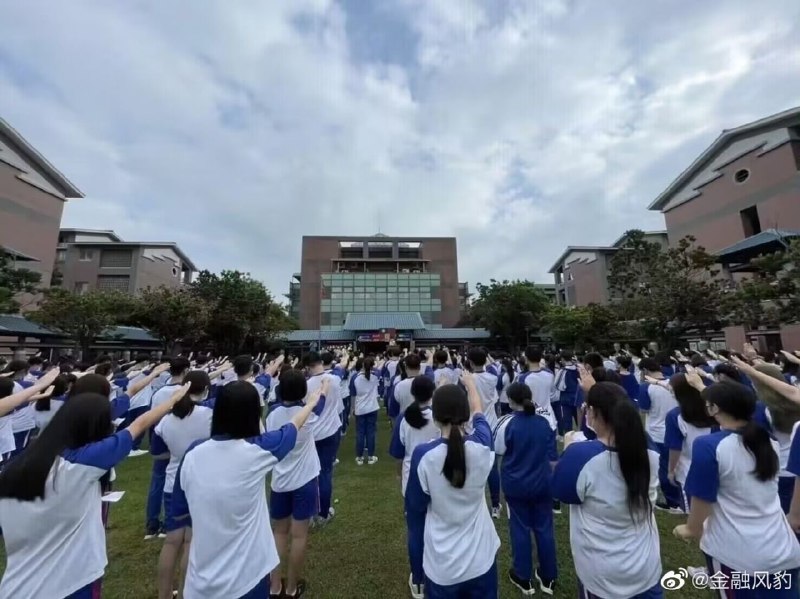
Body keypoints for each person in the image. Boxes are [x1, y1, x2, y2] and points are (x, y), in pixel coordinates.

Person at [0, 380, 188, 599]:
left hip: (17, 586)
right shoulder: (81, 466)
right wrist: (174, 399)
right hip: (70, 584)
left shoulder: (13, 471)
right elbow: (137, 426)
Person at [170, 380, 319, 599]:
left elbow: (182, 512)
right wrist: (311, 403)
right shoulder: (256, 451)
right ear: (253, 415)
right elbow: (291, 429)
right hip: (247, 579)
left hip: (200, 583)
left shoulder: (192, 455)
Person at [675, 381, 800, 595]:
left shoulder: (709, 446)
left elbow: (703, 498)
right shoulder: (769, 442)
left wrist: (690, 528)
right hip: (783, 549)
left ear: (714, 408)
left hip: (736, 556)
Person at [552, 376, 663, 599]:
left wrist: (568, 448)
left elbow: (562, 493)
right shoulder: (648, 451)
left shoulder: (580, 456)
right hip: (645, 566)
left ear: (592, 413)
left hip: (601, 573)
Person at [405, 374, 500, 598]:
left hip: (442, 565)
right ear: (464, 413)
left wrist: (417, 572)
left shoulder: (424, 456)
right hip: (482, 561)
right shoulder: (483, 446)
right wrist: (471, 386)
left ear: (435, 417)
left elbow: (415, 516)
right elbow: (479, 411)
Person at [266, 371, 329, 599]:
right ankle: (291, 589)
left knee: (279, 533)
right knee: (299, 536)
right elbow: (320, 400)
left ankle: (274, 587)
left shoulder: (272, 415)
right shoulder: (309, 414)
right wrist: (323, 385)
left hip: (280, 481)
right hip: (304, 481)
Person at [152, 371, 214, 599]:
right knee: (191, 541)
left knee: (171, 541)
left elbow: (158, 453)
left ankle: (164, 594)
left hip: (172, 482)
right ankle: (186, 591)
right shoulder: (209, 415)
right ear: (206, 389)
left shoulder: (166, 419)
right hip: (200, 482)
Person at [494, 382, 558, 595]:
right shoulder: (545, 421)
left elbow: (497, 449)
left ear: (511, 401)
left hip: (516, 484)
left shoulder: (507, 422)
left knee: (520, 528)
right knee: (544, 528)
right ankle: (548, 576)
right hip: (543, 483)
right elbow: (552, 456)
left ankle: (523, 576)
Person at [389, 375, 439, 599]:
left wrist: (399, 474)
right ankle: (426, 576)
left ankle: (419, 579)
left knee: (416, 531)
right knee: (434, 528)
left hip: (412, 479)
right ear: (432, 392)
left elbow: (399, 454)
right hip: (437, 478)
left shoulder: (403, 418)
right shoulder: (439, 415)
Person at [146, 357, 191, 539]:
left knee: (158, 481)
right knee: (174, 482)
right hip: (177, 439)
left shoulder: (158, 393)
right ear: (186, 370)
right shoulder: (184, 392)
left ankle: (152, 524)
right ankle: (167, 523)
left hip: (160, 437)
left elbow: (151, 418)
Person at [664, 372, 717, 512]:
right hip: (714, 466)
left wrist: (671, 470)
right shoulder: (713, 411)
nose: (670, 391)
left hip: (687, 470)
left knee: (694, 514)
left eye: (672, 389)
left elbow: (675, 447)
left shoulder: (675, 416)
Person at [638, 357, 681, 512]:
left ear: (644, 371)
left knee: (664, 468)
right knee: (677, 465)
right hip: (676, 429)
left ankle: (673, 502)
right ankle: (680, 498)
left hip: (656, 431)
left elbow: (643, 409)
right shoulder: (673, 383)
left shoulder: (646, 387)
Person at [305, 352, 344, 525]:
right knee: (325, 472)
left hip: (312, 432)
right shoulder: (334, 379)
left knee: (311, 473)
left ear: (307, 367)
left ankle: (312, 512)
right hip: (330, 431)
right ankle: (323, 513)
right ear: (321, 362)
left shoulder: (306, 384)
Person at [464, 348, 502, 518]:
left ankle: (475, 503)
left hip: (472, 424)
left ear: (470, 362)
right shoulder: (493, 377)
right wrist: (487, 358)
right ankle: (495, 505)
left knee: (471, 464)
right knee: (492, 466)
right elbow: (493, 366)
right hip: (490, 423)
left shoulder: (467, 380)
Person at [351, 357, 381, 465]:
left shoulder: (355, 377)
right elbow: (378, 368)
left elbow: (353, 395)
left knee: (360, 433)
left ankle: (359, 457)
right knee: (371, 432)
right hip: (372, 407)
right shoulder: (375, 375)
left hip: (360, 408)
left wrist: (353, 409)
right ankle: (371, 456)